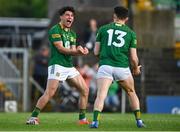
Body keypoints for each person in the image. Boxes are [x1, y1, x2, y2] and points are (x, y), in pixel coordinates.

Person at [26, 6, 90, 125]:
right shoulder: (55, 30)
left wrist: (81, 51)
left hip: (69, 66)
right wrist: (77, 51)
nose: (70, 17)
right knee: (50, 93)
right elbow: (61, 49)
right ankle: (33, 118)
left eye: (71, 16)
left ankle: (82, 119)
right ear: (61, 17)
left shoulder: (72, 34)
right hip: (57, 65)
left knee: (85, 90)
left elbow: (72, 50)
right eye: (67, 15)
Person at [90, 6, 146, 128]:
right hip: (122, 67)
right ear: (126, 18)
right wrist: (135, 68)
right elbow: (133, 57)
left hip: (105, 66)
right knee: (131, 92)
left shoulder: (103, 29)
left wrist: (106, 53)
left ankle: (95, 122)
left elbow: (95, 52)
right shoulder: (131, 33)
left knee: (101, 95)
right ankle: (139, 121)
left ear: (114, 15)